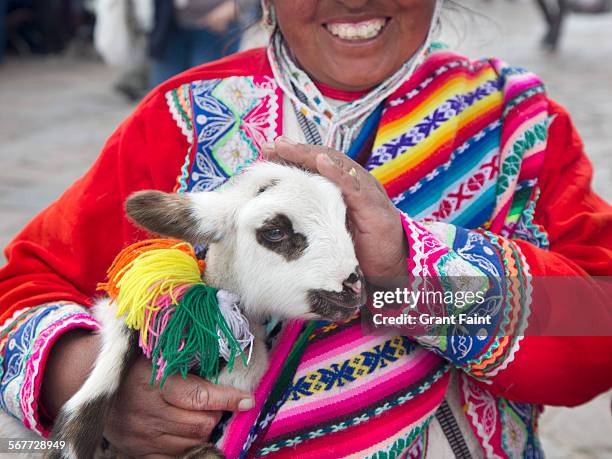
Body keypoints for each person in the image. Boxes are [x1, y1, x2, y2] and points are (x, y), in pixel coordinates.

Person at [1, 0, 611, 457]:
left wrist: (411, 276)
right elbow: (21, 287)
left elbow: (597, 319)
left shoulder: (516, 128)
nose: (353, 1)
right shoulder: (181, 118)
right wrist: (98, 387)